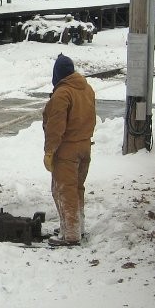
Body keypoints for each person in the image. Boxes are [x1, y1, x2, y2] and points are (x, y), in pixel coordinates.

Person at [42, 53, 96, 246]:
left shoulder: (62, 94)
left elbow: (55, 127)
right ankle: (75, 226)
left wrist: (50, 152)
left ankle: (70, 234)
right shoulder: (86, 89)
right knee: (77, 189)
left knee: (64, 191)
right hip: (84, 147)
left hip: (67, 151)